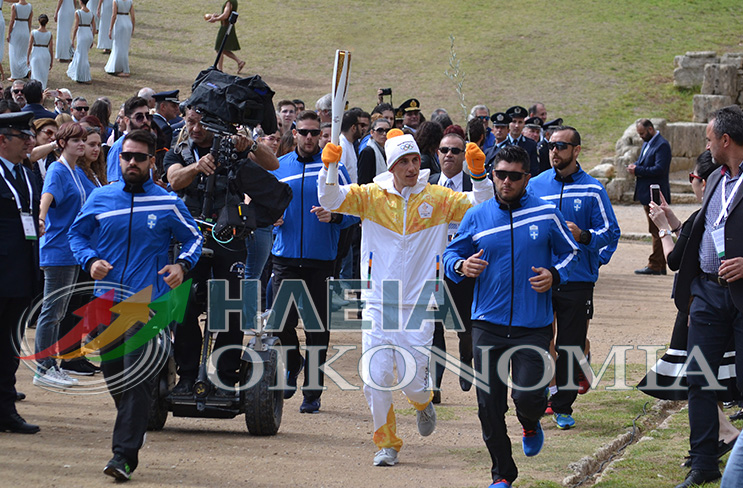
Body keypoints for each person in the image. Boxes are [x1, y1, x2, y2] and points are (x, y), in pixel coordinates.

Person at [318, 128, 494, 466]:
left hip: (420, 303)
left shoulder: (438, 199)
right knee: (376, 377)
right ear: (392, 164)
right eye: (404, 161)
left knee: (413, 380)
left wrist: (480, 175)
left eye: (415, 160)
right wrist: (329, 169)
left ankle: (422, 401)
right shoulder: (370, 197)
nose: (412, 167)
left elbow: (482, 207)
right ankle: (387, 442)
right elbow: (330, 200)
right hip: (378, 301)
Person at [69, 129, 202, 481]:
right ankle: (135, 421)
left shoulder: (167, 201)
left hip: (149, 305)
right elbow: (76, 234)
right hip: (105, 302)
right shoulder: (100, 197)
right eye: (126, 156)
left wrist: (181, 265)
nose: (132, 162)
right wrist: (90, 260)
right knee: (116, 377)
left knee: (136, 376)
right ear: (119, 158)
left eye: (139, 157)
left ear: (151, 162)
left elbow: (195, 238)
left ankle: (123, 456)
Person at [443, 145, 579, 488]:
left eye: (514, 176)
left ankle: (530, 422)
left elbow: (572, 254)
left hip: (532, 327)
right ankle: (503, 473)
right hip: (486, 324)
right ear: (492, 174)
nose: (506, 182)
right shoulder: (476, 215)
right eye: (500, 174)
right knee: (488, 406)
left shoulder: (547, 214)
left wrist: (555, 275)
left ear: (527, 178)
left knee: (528, 397)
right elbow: (450, 254)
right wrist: (461, 265)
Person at [164, 106, 279, 397]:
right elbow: (174, 180)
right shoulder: (178, 152)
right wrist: (197, 167)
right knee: (183, 305)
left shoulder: (233, 149)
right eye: (191, 122)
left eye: (203, 123)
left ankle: (226, 379)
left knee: (229, 307)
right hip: (189, 237)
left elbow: (273, 164)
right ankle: (187, 375)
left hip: (229, 235)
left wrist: (249, 144)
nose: (196, 128)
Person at [638, 150, 740, 468]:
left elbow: (675, 260)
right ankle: (707, 451)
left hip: (704, 303)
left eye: (694, 178)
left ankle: (723, 436)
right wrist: (672, 220)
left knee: (701, 377)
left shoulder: (711, 212)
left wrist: (663, 229)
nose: (693, 184)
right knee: (702, 378)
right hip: (703, 301)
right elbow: (698, 239)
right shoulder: (704, 215)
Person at [529, 126, 620, 430]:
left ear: (577, 150)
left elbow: (611, 233)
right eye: (551, 146)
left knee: (569, 345)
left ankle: (564, 405)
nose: (554, 151)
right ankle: (540, 395)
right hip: (540, 276)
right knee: (539, 341)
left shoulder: (593, 189)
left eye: (561, 146)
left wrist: (586, 241)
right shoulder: (536, 185)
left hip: (577, 280)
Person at [672, 105, 743, 488]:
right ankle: (703, 463)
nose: (707, 145)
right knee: (699, 380)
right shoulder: (715, 177)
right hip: (707, 295)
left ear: (725, 140)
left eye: (709, 139)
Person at [270, 110, 357, 413]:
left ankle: (312, 392)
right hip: (285, 258)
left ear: (321, 135)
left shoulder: (335, 169)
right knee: (280, 323)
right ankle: (293, 362)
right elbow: (261, 208)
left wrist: (333, 216)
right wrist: (272, 219)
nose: (309, 138)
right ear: (293, 132)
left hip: (321, 261)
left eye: (314, 133)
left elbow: (355, 213)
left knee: (317, 330)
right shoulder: (279, 168)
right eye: (303, 132)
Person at [33, 122, 88, 388]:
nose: (82, 143)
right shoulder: (58, 169)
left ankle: (49, 365)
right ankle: (44, 368)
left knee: (58, 311)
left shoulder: (76, 172)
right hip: (58, 249)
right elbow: (46, 196)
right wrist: (41, 218)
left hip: (71, 251)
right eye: (76, 139)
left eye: (84, 139)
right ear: (62, 143)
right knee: (52, 311)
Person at [427, 132, 477, 403]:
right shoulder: (427, 183)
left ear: (464, 156)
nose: (449, 155)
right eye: (444, 149)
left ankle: (466, 359)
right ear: (437, 153)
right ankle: (434, 384)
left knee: (464, 328)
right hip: (432, 268)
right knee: (433, 329)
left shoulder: (475, 186)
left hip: (464, 269)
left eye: (455, 151)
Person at [0, 111, 41, 434]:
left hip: (21, 272)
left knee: (10, 344)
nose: (29, 141)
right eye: (21, 136)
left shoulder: (24, 173)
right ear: (3, 140)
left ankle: (5, 408)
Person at [628, 118, 672, 275]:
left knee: (657, 229)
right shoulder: (648, 143)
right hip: (647, 193)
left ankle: (655, 264)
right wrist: (635, 165)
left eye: (642, 133)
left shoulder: (662, 145)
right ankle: (658, 264)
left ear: (650, 129)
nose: (641, 137)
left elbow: (659, 169)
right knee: (654, 229)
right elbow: (645, 162)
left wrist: (638, 170)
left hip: (656, 194)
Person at [106, 96, 148, 182]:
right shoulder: (119, 147)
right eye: (139, 117)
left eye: (147, 116)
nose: (145, 120)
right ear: (127, 120)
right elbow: (114, 183)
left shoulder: (147, 143)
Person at [206, 0, 244, 73]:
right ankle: (239, 62)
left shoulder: (229, 2)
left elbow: (226, 15)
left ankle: (220, 70)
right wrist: (218, 16)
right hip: (229, 26)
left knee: (219, 49)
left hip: (225, 27)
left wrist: (215, 19)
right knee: (223, 49)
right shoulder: (234, 1)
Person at [66, 0, 95, 84]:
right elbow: (94, 27)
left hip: (82, 34)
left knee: (82, 56)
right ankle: (79, 73)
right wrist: (92, 38)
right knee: (83, 54)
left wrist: (73, 38)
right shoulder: (91, 13)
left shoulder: (78, 12)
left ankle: (83, 76)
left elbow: (76, 26)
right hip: (88, 34)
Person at [104, 0, 133, 77]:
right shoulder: (130, 1)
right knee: (124, 47)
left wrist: (110, 28)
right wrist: (133, 28)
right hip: (128, 23)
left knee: (117, 45)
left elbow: (114, 15)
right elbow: (133, 16)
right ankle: (120, 66)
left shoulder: (115, 1)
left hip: (119, 23)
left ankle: (124, 69)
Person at [357, 117, 389, 184]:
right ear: (372, 132)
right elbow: (363, 182)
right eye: (380, 130)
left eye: (387, 131)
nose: (384, 134)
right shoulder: (367, 152)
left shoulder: (387, 150)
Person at [6, 0, 31, 81]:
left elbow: (12, 21)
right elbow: (30, 21)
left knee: (14, 53)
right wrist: (28, 31)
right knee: (23, 53)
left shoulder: (15, 6)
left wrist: (9, 33)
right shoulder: (30, 6)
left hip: (17, 30)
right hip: (25, 30)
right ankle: (26, 70)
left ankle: (14, 75)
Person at [27, 14, 53, 88]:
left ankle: (35, 89)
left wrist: (27, 57)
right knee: (44, 74)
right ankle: (42, 88)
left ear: (39, 21)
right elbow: (51, 49)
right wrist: (51, 61)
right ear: (47, 22)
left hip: (36, 53)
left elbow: (29, 46)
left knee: (35, 73)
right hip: (45, 54)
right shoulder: (49, 34)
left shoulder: (33, 32)